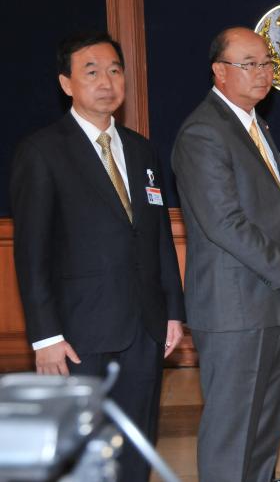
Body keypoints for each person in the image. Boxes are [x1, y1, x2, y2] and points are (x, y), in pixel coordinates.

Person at [9, 31, 185, 481]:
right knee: (81, 456)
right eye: (91, 72)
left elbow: (158, 237)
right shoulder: (42, 151)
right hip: (77, 335)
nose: (106, 82)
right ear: (66, 83)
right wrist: (45, 337)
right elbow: (31, 253)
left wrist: (172, 311)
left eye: (114, 70)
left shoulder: (141, 149)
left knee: (136, 445)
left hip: (145, 328)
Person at [171, 27, 280, 482]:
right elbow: (224, 223)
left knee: (262, 432)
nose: (263, 73)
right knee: (233, 435)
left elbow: (254, 208)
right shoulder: (204, 132)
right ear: (219, 72)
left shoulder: (251, 123)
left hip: (267, 304)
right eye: (249, 64)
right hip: (236, 309)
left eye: (266, 63)